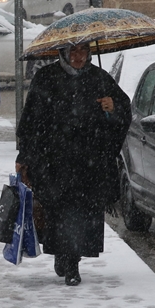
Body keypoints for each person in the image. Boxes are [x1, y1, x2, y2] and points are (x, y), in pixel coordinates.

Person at [15, 41, 132, 286]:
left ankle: (73, 261)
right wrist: (24, 157)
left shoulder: (99, 78)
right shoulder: (46, 78)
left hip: (89, 164)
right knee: (59, 212)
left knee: (82, 214)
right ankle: (64, 255)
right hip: (53, 162)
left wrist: (113, 109)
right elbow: (30, 122)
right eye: (73, 52)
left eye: (83, 51)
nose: (79, 57)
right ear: (63, 54)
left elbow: (122, 110)